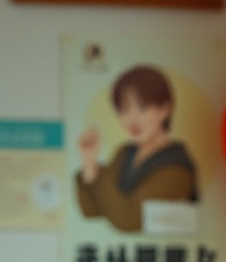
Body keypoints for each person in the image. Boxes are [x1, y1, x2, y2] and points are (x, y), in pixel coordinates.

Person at [76, 65, 199, 234]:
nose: (132, 120)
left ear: (164, 109)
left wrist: (97, 177)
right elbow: (93, 210)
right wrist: (89, 161)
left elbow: (127, 219)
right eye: (124, 110)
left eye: (142, 108)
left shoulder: (176, 168)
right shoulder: (126, 153)